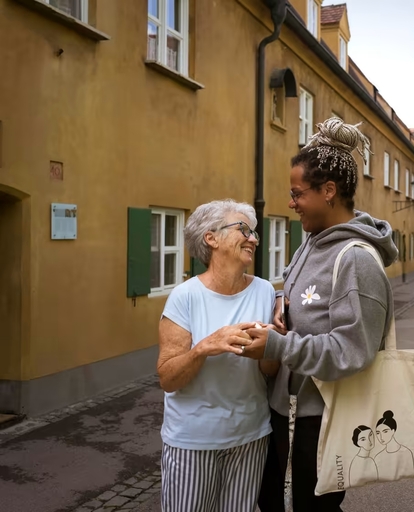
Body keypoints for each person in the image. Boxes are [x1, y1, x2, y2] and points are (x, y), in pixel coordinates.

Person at [243, 117, 398, 511]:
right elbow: (294, 290)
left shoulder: (357, 261)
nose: (291, 203)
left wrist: (278, 343)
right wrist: (281, 305)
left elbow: (353, 351)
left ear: (329, 191)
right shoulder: (310, 243)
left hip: (319, 420)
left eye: (297, 194)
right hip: (286, 410)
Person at [156, 199, 278, 512]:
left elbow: (270, 370)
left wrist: (273, 344)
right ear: (212, 238)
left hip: (250, 436)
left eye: (255, 233)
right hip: (193, 440)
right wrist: (204, 347)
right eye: (244, 230)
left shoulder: (265, 292)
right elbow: (168, 378)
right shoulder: (185, 297)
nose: (252, 239)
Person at [374, 410, 414, 481]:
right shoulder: (378, 456)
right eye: (378, 433)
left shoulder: (406, 452)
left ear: (393, 431)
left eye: (385, 431)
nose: (381, 436)